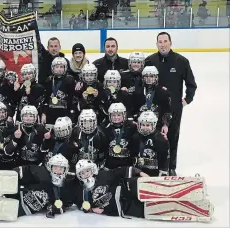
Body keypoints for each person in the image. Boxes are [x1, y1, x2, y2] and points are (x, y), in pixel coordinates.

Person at [73, 159, 213, 222]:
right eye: (82, 173)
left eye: (87, 171)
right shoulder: (82, 192)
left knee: (159, 190)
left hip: (128, 188)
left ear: (93, 170)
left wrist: (139, 173)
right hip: (124, 208)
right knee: (155, 209)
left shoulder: (103, 174)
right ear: (79, 176)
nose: (86, 175)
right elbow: (83, 206)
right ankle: (198, 209)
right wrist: (92, 209)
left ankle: (192, 186)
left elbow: (122, 170)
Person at [0, 154, 76, 221]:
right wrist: (12, 174)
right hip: (16, 189)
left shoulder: (65, 188)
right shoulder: (42, 172)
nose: (58, 171)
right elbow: (26, 170)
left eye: (61, 168)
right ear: (50, 167)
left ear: (66, 170)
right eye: (55, 167)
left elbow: (65, 203)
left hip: (23, 208)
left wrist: (55, 209)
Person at [145, 32, 197, 176]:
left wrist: (186, 100)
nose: (162, 44)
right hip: (153, 108)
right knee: (153, 136)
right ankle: (154, 165)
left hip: (174, 108)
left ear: (170, 42)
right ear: (156, 44)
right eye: (160, 42)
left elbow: (191, 84)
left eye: (165, 41)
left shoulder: (182, 61)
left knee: (172, 136)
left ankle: (171, 166)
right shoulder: (149, 61)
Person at [130, 111, 170, 177]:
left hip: (154, 174)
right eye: (143, 125)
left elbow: (164, 158)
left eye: (148, 125)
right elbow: (132, 155)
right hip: (139, 172)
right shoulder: (135, 137)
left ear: (154, 125)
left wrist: (163, 171)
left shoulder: (161, 139)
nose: (145, 127)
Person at [42, 57, 76, 125]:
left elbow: (72, 99)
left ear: (65, 68)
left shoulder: (69, 80)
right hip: (51, 113)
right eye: (57, 67)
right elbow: (45, 99)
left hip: (65, 114)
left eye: (61, 67)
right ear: (52, 68)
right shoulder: (49, 80)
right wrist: (44, 113)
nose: (59, 69)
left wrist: (71, 115)